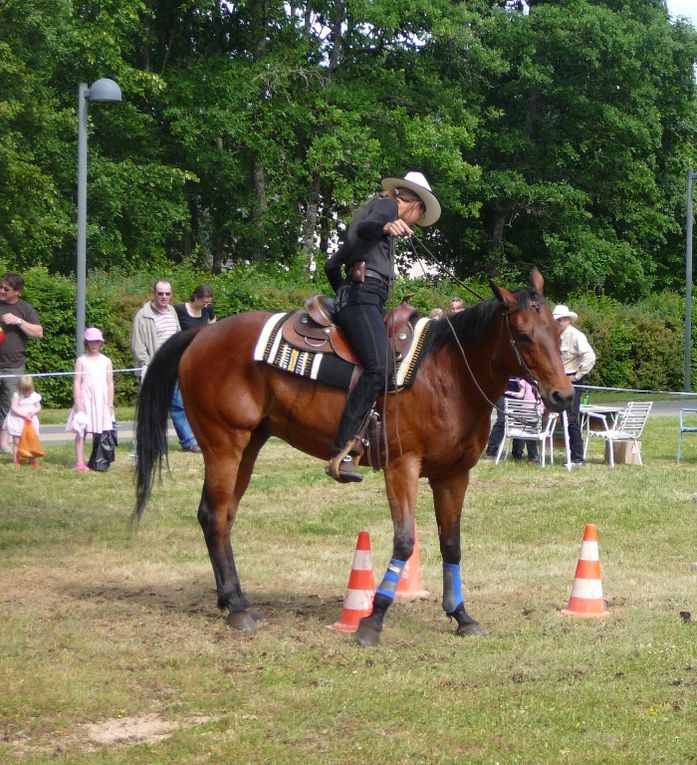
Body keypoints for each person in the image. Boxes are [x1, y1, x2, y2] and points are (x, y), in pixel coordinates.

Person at [323, 171, 441, 482]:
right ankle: (343, 449)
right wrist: (385, 225)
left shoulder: (367, 236)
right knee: (380, 366)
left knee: (383, 367)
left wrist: (342, 293)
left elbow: (331, 264)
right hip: (363, 299)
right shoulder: (388, 206)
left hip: (361, 298)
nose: (415, 222)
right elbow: (367, 226)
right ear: (413, 205)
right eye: (419, 215)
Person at [132, 280, 200, 453]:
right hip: (154, 368)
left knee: (179, 404)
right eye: (160, 293)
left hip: (174, 366)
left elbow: (177, 336)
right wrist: (147, 364)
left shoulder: (171, 311)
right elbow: (138, 345)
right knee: (155, 407)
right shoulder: (143, 315)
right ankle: (154, 443)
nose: (164, 297)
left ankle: (188, 441)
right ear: (154, 293)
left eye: (167, 294)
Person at [0, 273, 43, 453]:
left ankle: (3, 443)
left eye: (6, 289)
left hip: (13, 366)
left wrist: (18, 321)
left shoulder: (25, 308)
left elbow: (38, 333)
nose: (1, 291)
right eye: (1, 287)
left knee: (10, 405)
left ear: (17, 292)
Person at [553, 304, 597, 465]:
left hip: (572, 381)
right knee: (558, 417)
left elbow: (590, 357)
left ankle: (578, 457)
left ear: (568, 320)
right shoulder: (553, 336)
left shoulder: (576, 335)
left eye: (563, 319)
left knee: (571, 419)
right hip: (556, 380)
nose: (560, 322)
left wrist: (577, 375)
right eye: (558, 320)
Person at [66, 327, 115, 472]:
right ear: (86, 343)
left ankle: (96, 460)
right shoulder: (81, 361)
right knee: (82, 431)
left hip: (102, 399)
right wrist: (78, 402)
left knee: (99, 431)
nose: (94, 345)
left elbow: (110, 382)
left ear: (101, 343)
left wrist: (110, 403)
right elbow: (76, 382)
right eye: (91, 342)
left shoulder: (106, 361)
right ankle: (79, 462)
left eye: (97, 342)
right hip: (85, 399)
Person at [3, 375, 41, 467]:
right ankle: (16, 461)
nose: (27, 393)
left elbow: (38, 407)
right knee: (17, 442)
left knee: (31, 440)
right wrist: (24, 415)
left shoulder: (34, 396)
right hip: (18, 420)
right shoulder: (17, 396)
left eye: (29, 390)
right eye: (24, 390)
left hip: (30, 421)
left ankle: (32, 459)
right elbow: (14, 408)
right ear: (19, 388)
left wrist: (32, 413)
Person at [484, 378, 521, 458]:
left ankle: (517, 451)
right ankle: (492, 449)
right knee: (502, 420)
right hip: (503, 394)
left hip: (519, 395)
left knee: (518, 422)